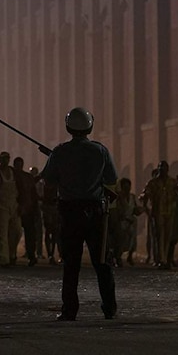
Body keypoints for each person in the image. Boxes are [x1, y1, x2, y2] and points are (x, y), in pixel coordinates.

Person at [41, 107, 118, 321]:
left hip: (69, 212)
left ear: (68, 127)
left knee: (71, 263)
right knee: (102, 262)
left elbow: (49, 180)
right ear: (90, 126)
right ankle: (109, 308)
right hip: (95, 212)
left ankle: (69, 310)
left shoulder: (60, 152)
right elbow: (111, 177)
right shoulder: (100, 150)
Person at [0, 151, 22, 267]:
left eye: (7, 158)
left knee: (17, 231)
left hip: (14, 205)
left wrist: (21, 204)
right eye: (3, 159)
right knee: (2, 234)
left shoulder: (14, 173)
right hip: (1, 206)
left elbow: (21, 189)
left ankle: (12, 254)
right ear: (0, 160)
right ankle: (4, 259)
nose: (5, 161)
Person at [142, 161, 177, 269]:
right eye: (161, 168)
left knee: (167, 235)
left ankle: (165, 258)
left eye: (165, 168)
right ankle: (161, 259)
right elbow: (144, 195)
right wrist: (146, 208)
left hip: (169, 211)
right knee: (159, 236)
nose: (163, 170)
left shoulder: (172, 182)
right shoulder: (152, 183)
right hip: (157, 212)